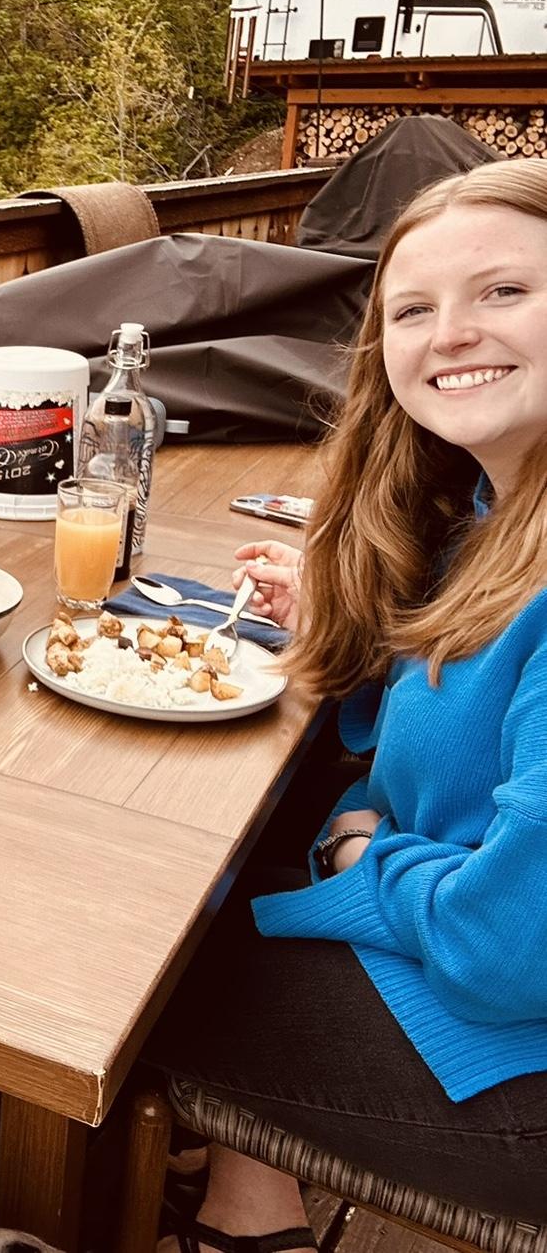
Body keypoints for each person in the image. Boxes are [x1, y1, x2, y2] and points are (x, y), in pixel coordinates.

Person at [145, 157, 547, 1245]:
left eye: (505, 292)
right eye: (414, 308)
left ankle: (203, 1185)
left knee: (137, 967)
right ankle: (250, 1201)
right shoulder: (490, 511)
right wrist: (354, 617)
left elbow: (507, 953)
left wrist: (371, 860)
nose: (452, 332)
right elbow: (433, 729)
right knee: (206, 882)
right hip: (484, 950)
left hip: (517, 1058)